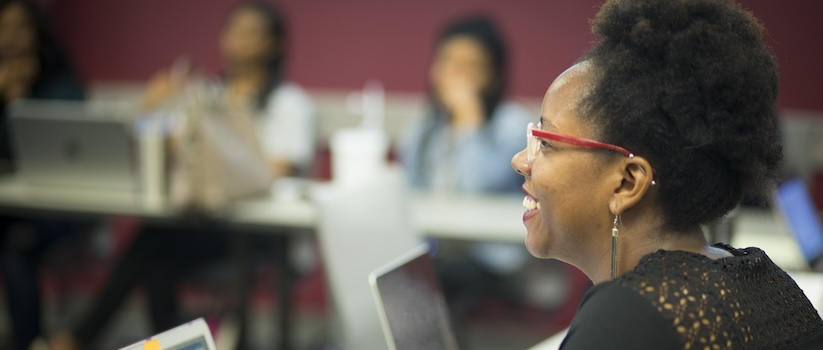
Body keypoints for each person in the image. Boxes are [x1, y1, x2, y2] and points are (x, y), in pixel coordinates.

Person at [510, 0, 823, 349]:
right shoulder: (767, 281)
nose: (521, 160)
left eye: (546, 141)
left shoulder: (626, 320)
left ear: (628, 182)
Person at [51, 2, 314, 349]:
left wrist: (230, 127)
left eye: (252, 33)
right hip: (213, 220)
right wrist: (154, 105)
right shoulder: (207, 95)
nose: (240, 42)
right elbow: (168, 151)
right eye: (234, 30)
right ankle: (165, 342)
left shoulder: (289, 103)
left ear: (275, 43)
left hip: (262, 233)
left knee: (153, 248)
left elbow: (280, 168)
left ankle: (78, 340)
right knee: (155, 251)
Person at [0, 1, 88, 349]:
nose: (13, 37)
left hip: (55, 209)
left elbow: (71, 149)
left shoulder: (60, 84)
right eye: (4, 27)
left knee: (16, 246)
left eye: (21, 27)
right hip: (10, 206)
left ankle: (29, 342)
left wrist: (21, 103)